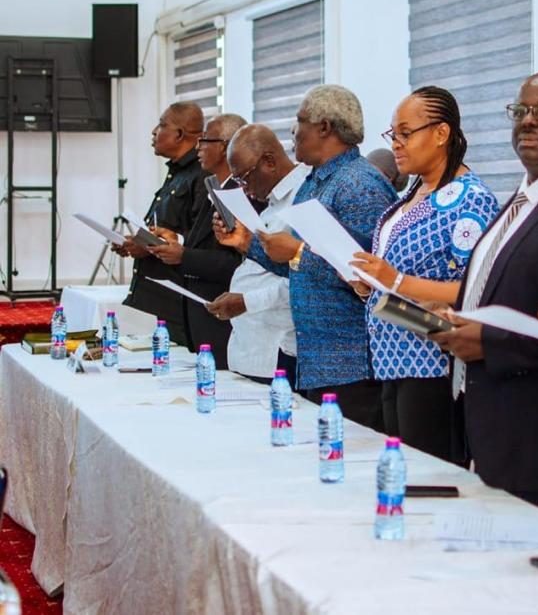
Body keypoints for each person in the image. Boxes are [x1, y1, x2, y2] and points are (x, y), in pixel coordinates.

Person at [429, 73, 538, 522]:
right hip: (484, 425)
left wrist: (487, 342)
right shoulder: (519, 200)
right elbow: (505, 296)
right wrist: (455, 317)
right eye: (521, 111)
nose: (529, 121)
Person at [349, 86, 499, 462]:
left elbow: (477, 289)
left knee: (430, 477)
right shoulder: (413, 192)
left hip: (433, 364)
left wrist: (396, 281)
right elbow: (395, 271)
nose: (396, 144)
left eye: (405, 133)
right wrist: (370, 284)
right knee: (401, 474)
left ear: (441, 133)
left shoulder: (471, 198)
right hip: (390, 356)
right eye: (392, 135)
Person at [244, 85, 396, 427]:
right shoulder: (315, 182)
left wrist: (297, 250)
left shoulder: (360, 184)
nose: (293, 134)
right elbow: (299, 269)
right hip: (316, 360)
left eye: (299, 122)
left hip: (351, 363)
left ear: (324, 127)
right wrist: (247, 243)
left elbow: (367, 277)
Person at [206, 124, 309, 385]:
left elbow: (302, 277)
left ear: (269, 162)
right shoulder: (272, 203)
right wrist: (242, 242)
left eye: (245, 177)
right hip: (252, 345)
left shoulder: (303, 197)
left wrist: (246, 301)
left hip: (276, 347)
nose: (243, 187)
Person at [147, 113, 246, 367]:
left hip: (222, 317)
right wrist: (177, 240)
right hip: (199, 315)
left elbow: (238, 262)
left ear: (224, 146)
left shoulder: (241, 193)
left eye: (204, 140)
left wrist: (184, 256)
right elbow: (202, 241)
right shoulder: (215, 185)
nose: (198, 146)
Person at [117, 102, 208, 345]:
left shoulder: (201, 175)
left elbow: (198, 241)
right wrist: (139, 242)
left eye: (162, 125)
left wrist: (153, 244)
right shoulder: (178, 173)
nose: (154, 131)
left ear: (179, 134)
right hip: (166, 294)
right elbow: (168, 229)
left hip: (183, 295)